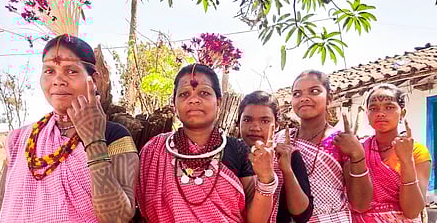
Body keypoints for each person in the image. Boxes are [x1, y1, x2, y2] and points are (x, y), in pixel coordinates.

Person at [0, 34, 139, 223]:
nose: (58, 80)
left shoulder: (113, 136)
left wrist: (94, 140)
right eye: (49, 71)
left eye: (71, 71)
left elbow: (117, 217)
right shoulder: (20, 139)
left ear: (94, 79)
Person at [136, 64, 276, 222]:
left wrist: (266, 179)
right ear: (174, 104)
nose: (194, 99)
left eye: (204, 93)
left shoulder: (237, 150)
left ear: (219, 103)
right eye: (184, 94)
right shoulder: (154, 150)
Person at [286, 69, 373, 222]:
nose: (304, 98)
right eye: (297, 94)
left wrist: (357, 155)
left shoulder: (340, 141)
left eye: (314, 91)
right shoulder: (283, 139)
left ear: (329, 99)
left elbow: (361, 204)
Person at [352, 83, 431, 222]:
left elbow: (412, 211)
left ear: (402, 113)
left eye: (389, 107)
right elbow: (356, 202)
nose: (380, 113)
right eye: (373, 108)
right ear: (367, 114)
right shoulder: (358, 151)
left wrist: (407, 161)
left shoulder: (417, 152)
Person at [237, 90, 313, 223]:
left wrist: (286, 170)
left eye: (265, 121)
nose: (255, 127)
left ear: (276, 125)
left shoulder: (287, 155)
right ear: (238, 123)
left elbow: (302, 215)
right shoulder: (227, 155)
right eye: (247, 119)